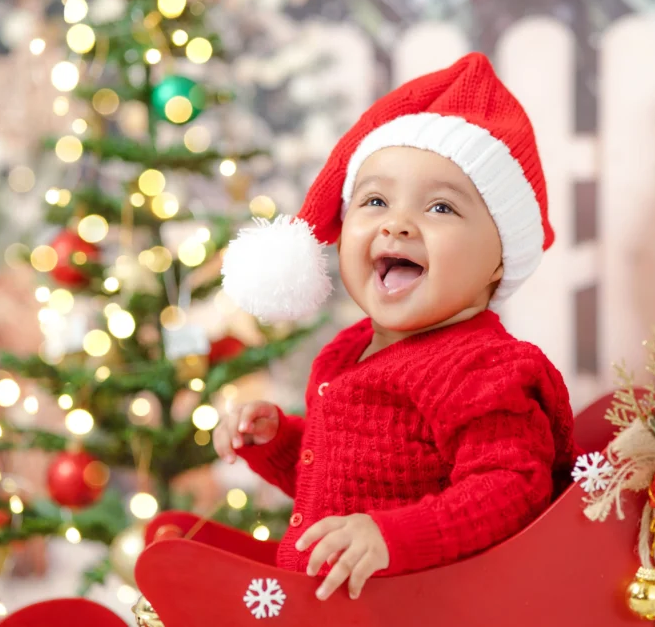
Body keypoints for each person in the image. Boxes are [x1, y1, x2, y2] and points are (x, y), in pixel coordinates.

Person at [214, 52, 576, 602]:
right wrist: (277, 441)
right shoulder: (347, 352)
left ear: (500, 259)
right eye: (375, 200)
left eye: (440, 208)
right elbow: (342, 486)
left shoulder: (484, 368)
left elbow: (510, 489)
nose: (397, 223)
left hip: (416, 610)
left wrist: (392, 538)